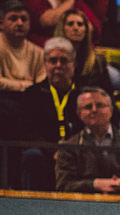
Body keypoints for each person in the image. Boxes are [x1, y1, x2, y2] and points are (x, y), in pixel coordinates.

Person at [55, 87, 120, 195]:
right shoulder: (69, 148)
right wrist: (95, 184)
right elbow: (63, 185)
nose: (94, 110)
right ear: (79, 114)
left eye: (100, 105)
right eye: (88, 107)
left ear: (111, 110)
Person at [14, 35, 76, 190]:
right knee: (32, 155)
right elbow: (26, 133)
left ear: (73, 64)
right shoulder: (32, 95)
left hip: (78, 154)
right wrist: (53, 151)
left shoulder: (84, 95)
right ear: (45, 64)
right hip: (46, 153)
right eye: (53, 61)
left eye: (64, 60)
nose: (58, 66)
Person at [0, 0, 43, 92]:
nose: (20, 23)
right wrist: (26, 86)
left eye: (24, 19)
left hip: (30, 97)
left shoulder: (38, 52)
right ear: (1, 24)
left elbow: (42, 84)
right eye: (13, 19)